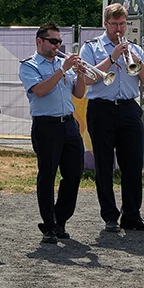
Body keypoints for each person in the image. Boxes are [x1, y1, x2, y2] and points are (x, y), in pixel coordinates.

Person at [80, 3, 144, 232]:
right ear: (106, 24)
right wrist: (112, 58)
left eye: (122, 24)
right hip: (101, 109)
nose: (118, 29)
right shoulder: (91, 47)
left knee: (132, 165)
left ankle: (132, 216)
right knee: (104, 165)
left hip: (129, 109)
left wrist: (135, 59)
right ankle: (110, 217)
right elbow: (89, 79)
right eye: (114, 24)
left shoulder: (134, 49)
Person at [19, 23, 86, 244]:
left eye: (60, 42)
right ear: (40, 41)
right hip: (46, 126)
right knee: (47, 176)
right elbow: (40, 90)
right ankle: (48, 224)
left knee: (74, 174)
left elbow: (78, 93)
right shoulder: (29, 66)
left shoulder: (61, 64)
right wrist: (63, 70)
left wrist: (82, 74)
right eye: (53, 41)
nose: (58, 45)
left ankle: (60, 219)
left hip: (69, 124)